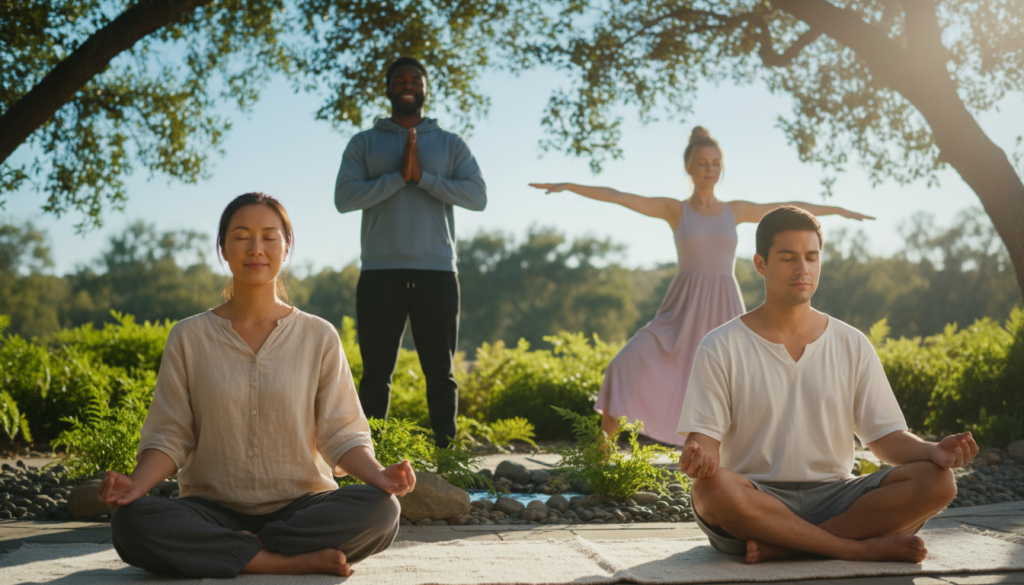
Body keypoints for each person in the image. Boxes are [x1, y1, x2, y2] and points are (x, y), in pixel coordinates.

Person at [101, 193, 415, 578]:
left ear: (286, 247)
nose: (256, 249)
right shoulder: (188, 336)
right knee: (132, 523)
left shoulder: (319, 336)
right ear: (223, 248)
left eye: (269, 236)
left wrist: (380, 476)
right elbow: (170, 435)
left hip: (303, 507)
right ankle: (285, 561)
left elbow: (341, 434)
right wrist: (134, 486)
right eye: (241, 236)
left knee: (382, 510)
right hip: (210, 509)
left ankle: (234, 555)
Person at [529, 127, 873, 446]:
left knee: (739, 381)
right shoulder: (676, 210)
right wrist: (569, 185)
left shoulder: (733, 211)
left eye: (716, 163)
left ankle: (747, 457)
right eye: (702, 163)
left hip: (723, 304)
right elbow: (618, 196)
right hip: (681, 308)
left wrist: (838, 210)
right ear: (689, 168)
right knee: (624, 365)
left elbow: (788, 208)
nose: (710, 169)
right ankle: (601, 459)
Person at [677, 206, 977, 564]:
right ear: (761, 264)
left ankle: (786, 547)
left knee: (938, 482)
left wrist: (932, 452)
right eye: (787, 258)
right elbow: (705, 445)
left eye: (811, 257)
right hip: (756, 499)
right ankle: (854, 548)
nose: (802, 269)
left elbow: (884, 440)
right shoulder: (720, 345)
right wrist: (699, 460)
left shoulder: (851, 343)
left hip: (838, 497)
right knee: (711, 490)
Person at [335, 56, 487, 448]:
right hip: (380, 272)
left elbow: (478, 196)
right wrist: (397, 178)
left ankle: (446, 455)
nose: (408, 84)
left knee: (441, 371)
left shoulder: (450, 143)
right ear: (387, 89)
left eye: (415, 79)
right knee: (375, 373)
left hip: (437, 270)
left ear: (425, 88)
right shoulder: (364, 142)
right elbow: (343, 198)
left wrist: (424, 178)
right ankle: (370, 455)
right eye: (400, 79)